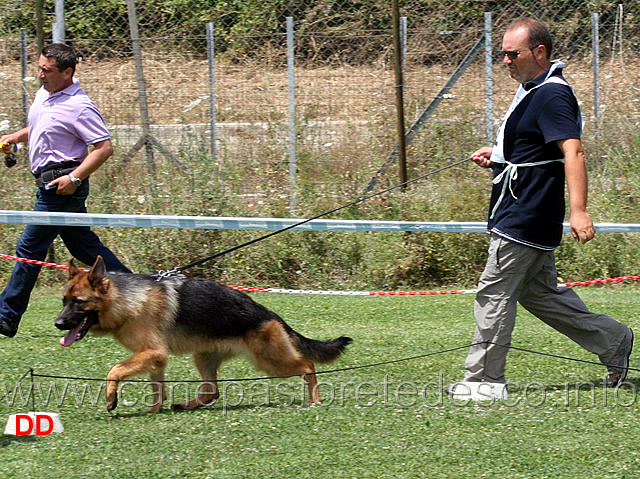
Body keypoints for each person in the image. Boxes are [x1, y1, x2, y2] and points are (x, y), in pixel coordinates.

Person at [446, 18, 633, 398]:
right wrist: (498, 156)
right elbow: (536, 148)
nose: (505, 61)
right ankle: (613, 339)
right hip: (527, 212)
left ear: (540, 52)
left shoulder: (551, 94)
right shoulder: (533, 90)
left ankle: (484, 381)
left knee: (494, 292)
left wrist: (579, 211)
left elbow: (573, 151)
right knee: (540, 294)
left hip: (525, 216)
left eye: (512, 54)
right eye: (502, 54)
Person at [0, 43, 130, 338]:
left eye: (47, 70)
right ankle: (137, 289)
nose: (40, 75)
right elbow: (41, 128)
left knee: (28, 249)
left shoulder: (80, 106)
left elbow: (104, 147)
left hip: (61, 187)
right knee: (84, 248)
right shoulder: (44, 94)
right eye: (40, 68)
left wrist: (74, 177)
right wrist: (15, 137)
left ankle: (5, 316)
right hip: (48, 184)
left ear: (67, 72)